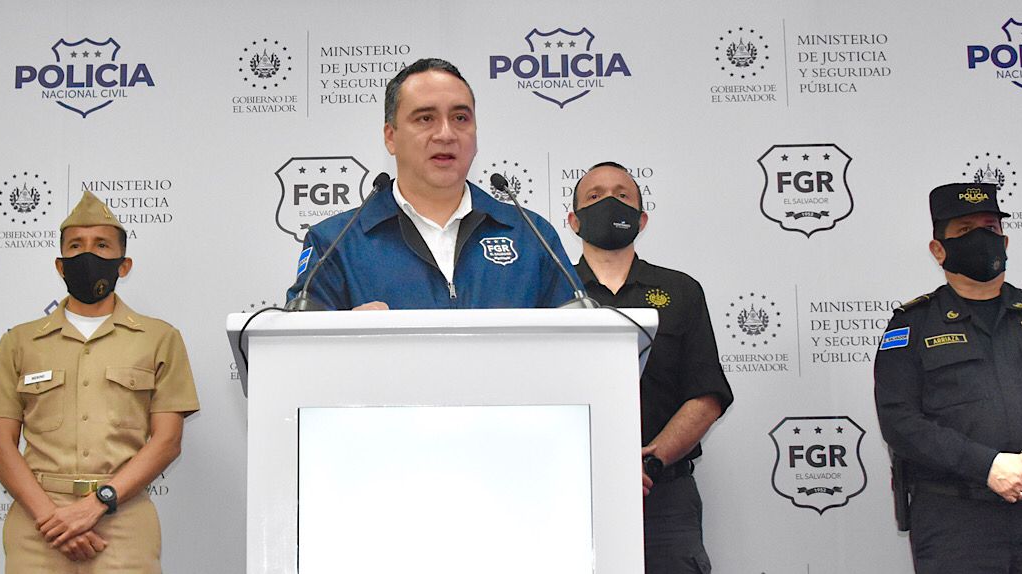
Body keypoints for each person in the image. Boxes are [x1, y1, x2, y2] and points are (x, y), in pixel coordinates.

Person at [873, 182, 1022, 573]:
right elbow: (900, 421)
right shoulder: (912, 326)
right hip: (955, 524)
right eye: (966, 230)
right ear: (938, 250)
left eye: (990, 228)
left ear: (1005, 241)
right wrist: (987, 466)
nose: (982, 239)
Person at [0, 191, 200, 573]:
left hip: (123, 518)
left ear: (123, 265)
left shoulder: (160, 339)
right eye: (76, 246)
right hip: (37, 523)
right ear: (60, 265)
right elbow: (0, 447)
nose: (87, 254)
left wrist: (95, 505)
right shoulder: (19, 342)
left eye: (101, 245)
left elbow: (167, 442)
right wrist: (53, 520)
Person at [286, 57, 578, 310]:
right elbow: (299, 346)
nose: (446, 134)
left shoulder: (531, 235)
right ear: (391, 137)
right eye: (426, 118)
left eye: (460, 118)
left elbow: (580, 339)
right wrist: (347, 334)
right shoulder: (335, 243)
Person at [570, 162, 734, 573]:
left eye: (622, 195)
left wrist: (648, 463)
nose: (609, 203)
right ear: (573, 221)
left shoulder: (681, 291)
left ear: (641, 220)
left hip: (663, 497)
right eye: (594, 196)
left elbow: (706, 395)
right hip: (569, 492)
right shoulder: (547, 292)